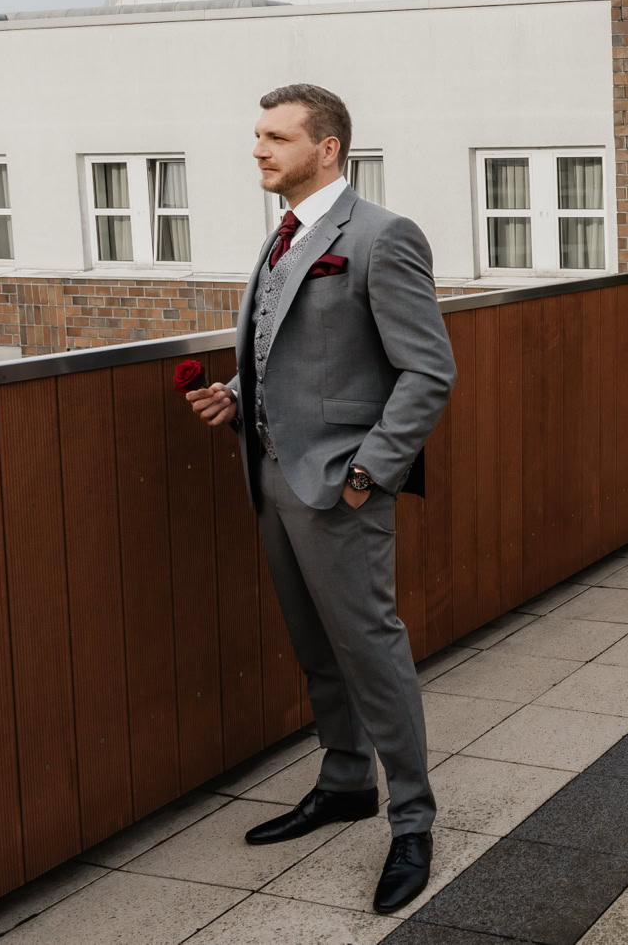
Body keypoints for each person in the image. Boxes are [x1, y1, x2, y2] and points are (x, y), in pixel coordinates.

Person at [186, 83, 455, 912]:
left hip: (342, 486)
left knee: (371, 651)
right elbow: (295, 349)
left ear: (326, 147)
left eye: (275, 136)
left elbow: (428, 371)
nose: (258, 149)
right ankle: (344, 783)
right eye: (258, 135)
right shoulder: (284, 234)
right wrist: (236, 393)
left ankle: (413, 820)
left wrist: (367, 474)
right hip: (271, 476)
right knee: (316, 646)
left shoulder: (382, 236)